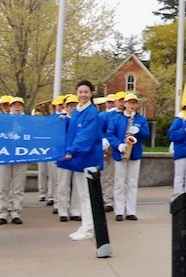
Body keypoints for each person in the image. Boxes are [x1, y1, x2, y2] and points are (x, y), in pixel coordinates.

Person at [58, 80, 104, 242]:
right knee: (82, 194)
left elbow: (87, 135)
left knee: (86, 195)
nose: (83, 94)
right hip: (80, 159)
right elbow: (75, 129)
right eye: (80, 92)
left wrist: (73, 150)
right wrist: (66, 121)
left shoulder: (91, 112)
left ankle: (89, 227)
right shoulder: (78, 110)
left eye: (86, 92)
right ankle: (86, 224)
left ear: (91, 93)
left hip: (87, 158)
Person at [107, 93, 150, 221]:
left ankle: (131, 211)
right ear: (124, 104)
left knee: (132, 183)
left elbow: (147, 134)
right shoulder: (116, 119)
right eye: (129, 102)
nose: (132, 105)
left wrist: (139, 131)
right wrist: (117, 144)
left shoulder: (140, 119)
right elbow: (110, 134)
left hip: (135, 154)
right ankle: (119, 211)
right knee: (119, 182)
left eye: (134, 103)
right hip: (120, 153)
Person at [0, 97, 29, 225]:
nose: (17, 107)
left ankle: (16, 212)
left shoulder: (27, 121)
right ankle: (2, 213)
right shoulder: (2, 120)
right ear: (9, 107)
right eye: (14, 105)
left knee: (18, 187)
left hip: (21, 156)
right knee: (3, 186)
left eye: (20, 105)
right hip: (5, 156)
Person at [56, 95, 82, 222]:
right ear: (65, 107)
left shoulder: (81, 120)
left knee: (77, 184)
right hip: (63, 155)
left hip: (77, 155)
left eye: (74, 105)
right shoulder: (61, 120)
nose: (72, 108)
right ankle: (62, 211)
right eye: (70, 105)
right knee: (63, 184)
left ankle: (75, 210)